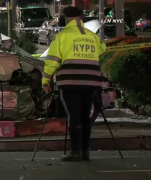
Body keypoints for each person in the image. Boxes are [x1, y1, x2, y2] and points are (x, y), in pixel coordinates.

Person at [42, 6, 107, 162]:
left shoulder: (62, 36)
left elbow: (52, 61)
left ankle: (75, 152)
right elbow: (103, 51)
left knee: (74, 116)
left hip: (70, 81)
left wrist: (46, 80)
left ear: (67, 19)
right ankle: (85, 152)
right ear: (81, 19)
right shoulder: (93, 36)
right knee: (86, 116)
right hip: (91, 82)